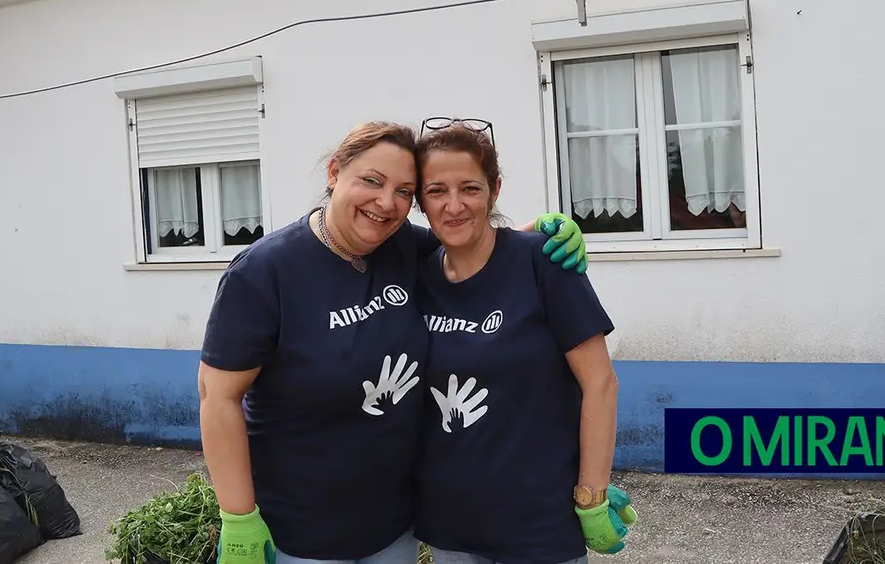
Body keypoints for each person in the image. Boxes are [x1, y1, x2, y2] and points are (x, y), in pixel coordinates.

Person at [197, 121, 591, 564]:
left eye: (405, 191)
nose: (386, 203)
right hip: (301, 534)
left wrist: (538, 232)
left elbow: (470, 244)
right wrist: (238, 516)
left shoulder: (403, 246)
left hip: (392, 531)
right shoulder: (264, 272)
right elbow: (217, 397)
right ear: (333, 173)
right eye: (371, 181)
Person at [410, 120, 637, 564]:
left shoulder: (544, 262)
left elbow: (601, 384)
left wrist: (590, 496)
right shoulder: (416, 275)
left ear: (494, 189)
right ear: (420, 200)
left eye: (470, 189)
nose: (454, 206)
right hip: (449, 523)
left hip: (538, 523)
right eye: (436, 190)